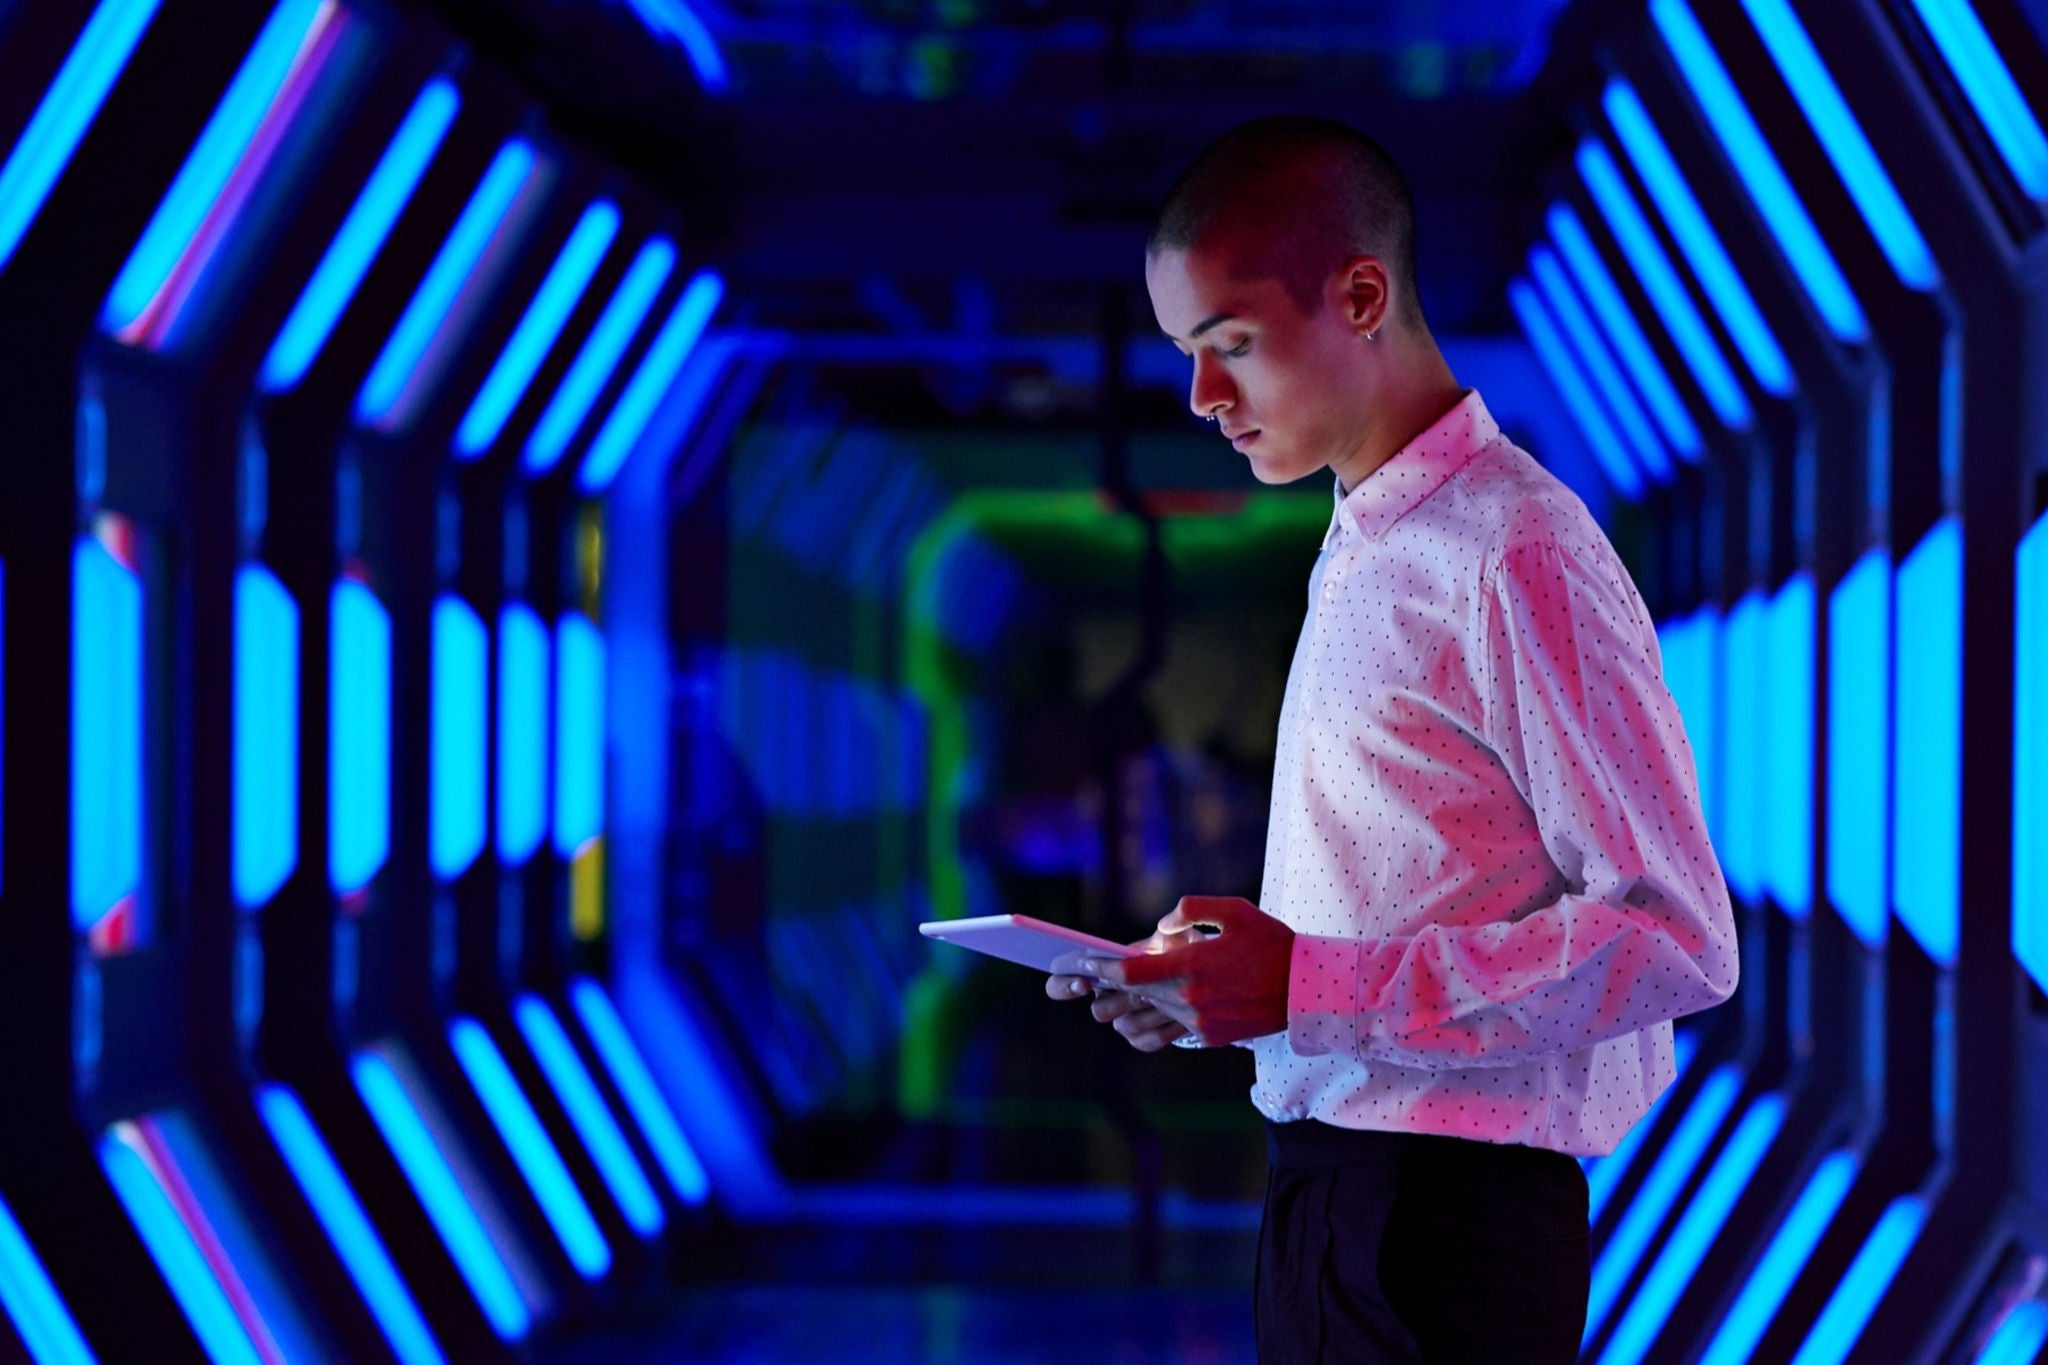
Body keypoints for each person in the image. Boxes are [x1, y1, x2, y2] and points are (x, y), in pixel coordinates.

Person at [1046, 116, 1738, 1363]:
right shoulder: (1366, 536)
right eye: (1186, 356)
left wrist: (1306, 986)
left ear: (1359, 294)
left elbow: (1672, 939)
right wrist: (1226, 1000)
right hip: (1337, 1201)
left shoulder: (1514, 551)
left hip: (1443, 1232)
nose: (1202, 398)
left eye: (1230, 346)